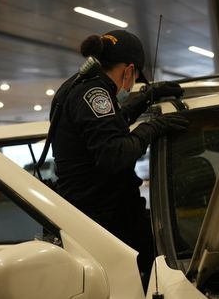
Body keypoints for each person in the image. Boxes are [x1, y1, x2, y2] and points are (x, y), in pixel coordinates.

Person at [50, 29, 188, 289]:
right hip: (107, 220)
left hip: (90, 218)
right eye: (136, 79)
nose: (132, 83)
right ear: (129, 70)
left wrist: (145, 98)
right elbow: (115, 155)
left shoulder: (77, 85)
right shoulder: (94, 93)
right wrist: (153, 128)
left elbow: (104, 130)